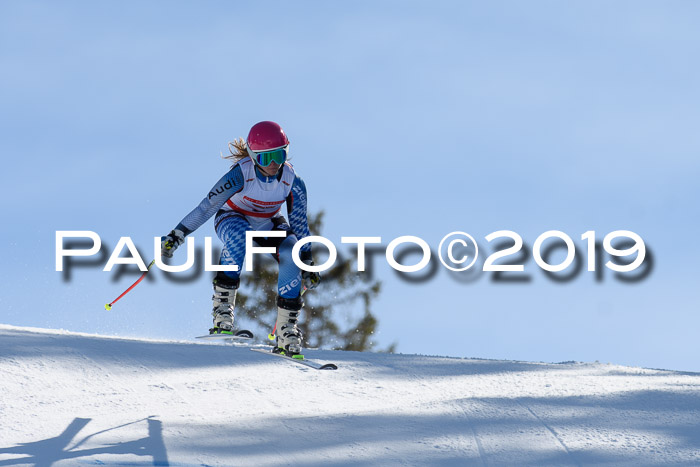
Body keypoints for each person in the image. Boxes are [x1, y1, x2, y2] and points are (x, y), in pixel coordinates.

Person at [160, 121, 320, 356]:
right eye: (266, 158)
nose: (274, 163)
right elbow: (207, 208)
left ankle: (286, 330)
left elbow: (299, 224)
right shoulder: (240, 174)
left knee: (291, 252)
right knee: (239, 236)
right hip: (232, 217)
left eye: (279, 155)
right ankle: (222, 311)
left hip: (268, 222)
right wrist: (178, 234)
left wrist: (307, 262)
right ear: (254, 157)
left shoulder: (293, 181)